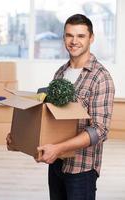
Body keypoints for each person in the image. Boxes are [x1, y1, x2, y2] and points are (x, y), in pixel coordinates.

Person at [6, 14, 115, 200]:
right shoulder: (61, 73)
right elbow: (49, 117)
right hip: (56, 164)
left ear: (91, 38)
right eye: (69, 35)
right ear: (64, 37)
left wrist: (59, 148)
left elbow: (100, 131)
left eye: (80, 36)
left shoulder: (100, 78)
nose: (74, 41)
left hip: (81, 169)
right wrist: (21, 140)